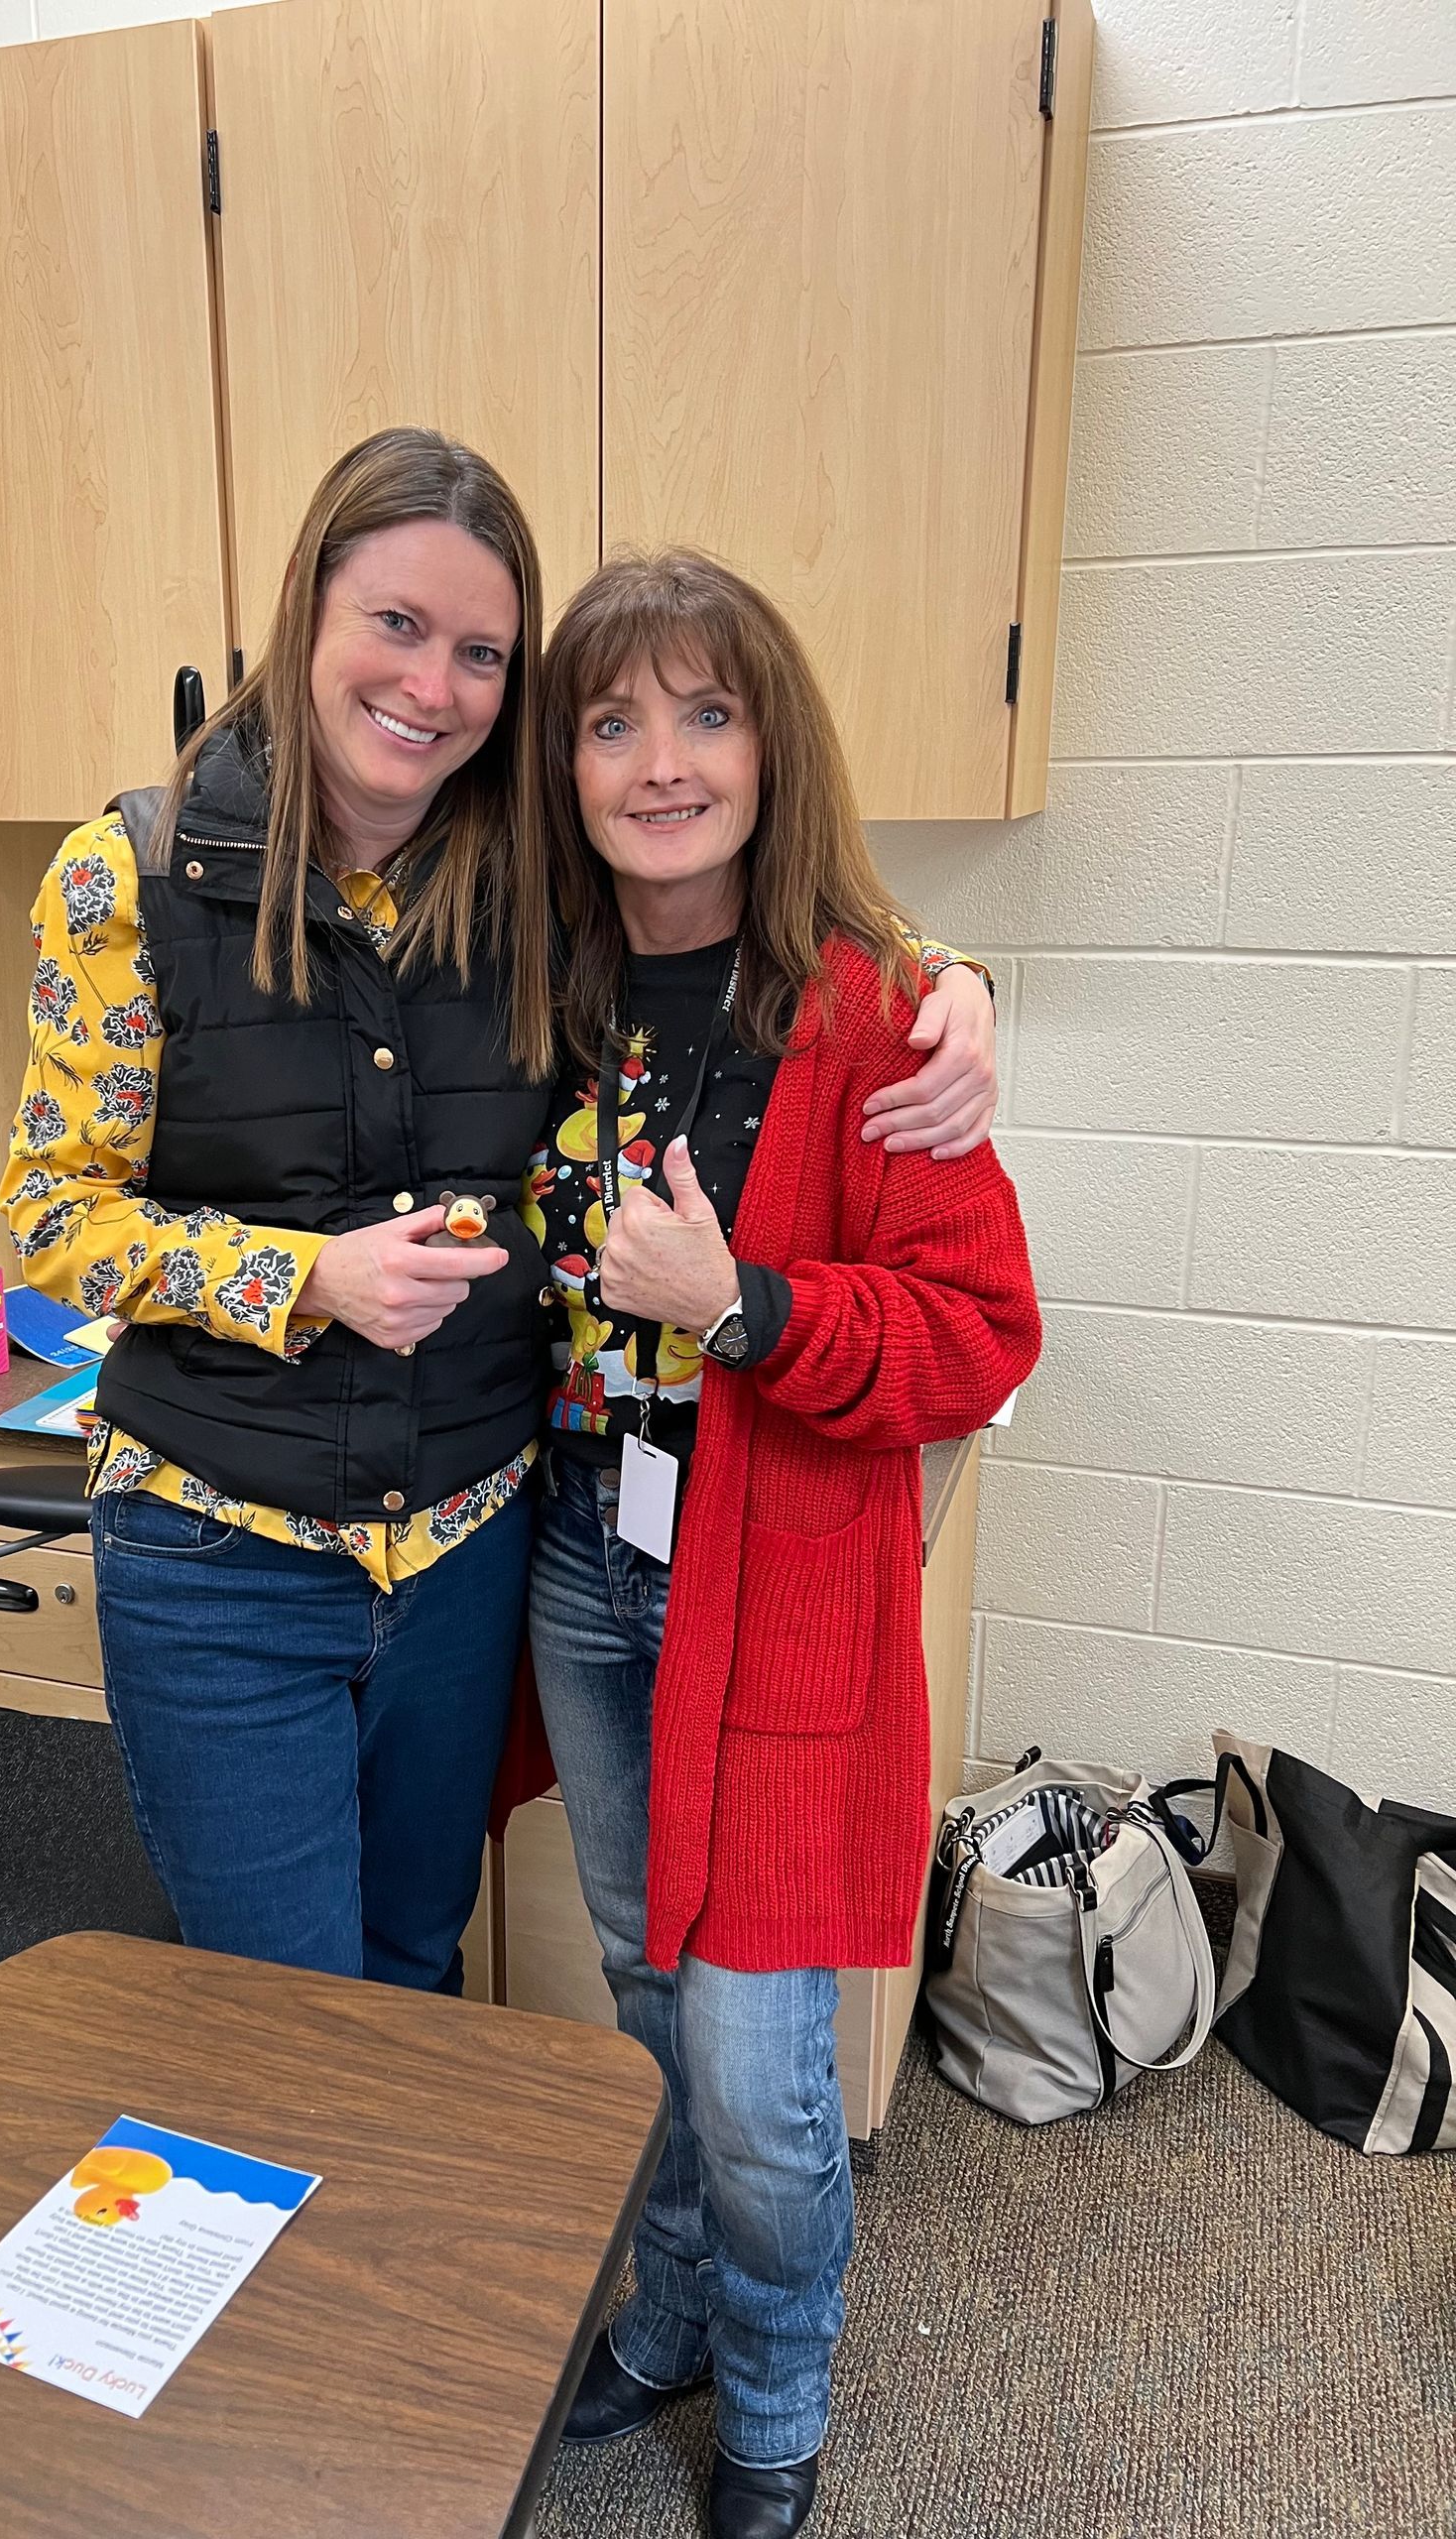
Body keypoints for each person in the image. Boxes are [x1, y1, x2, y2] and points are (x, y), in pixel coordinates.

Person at [0, 425, 1000, 1998]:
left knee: (412, 1976)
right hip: (222, 1550)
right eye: (396, 626)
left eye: (481, 652)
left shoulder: (525, 875)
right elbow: (52, 1211)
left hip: (469, 1550)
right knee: (284, 2015)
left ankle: (395, 2258)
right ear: (308, 610)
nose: (434, 685)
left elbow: (736, 875)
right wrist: (297, 1273)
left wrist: (947, 982)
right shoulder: (125, 877)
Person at [526, 550, 1041, 2539]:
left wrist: (746, 1302)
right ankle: (669, 2311)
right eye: (611, 718)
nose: (661, 760)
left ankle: (778, 2378)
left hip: (780, 1598)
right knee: (647, 1986)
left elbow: (982, 1330)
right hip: (587, 1566)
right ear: (561, 762)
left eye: (706, 712)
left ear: (770, 741)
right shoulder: (545, 988)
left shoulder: (878, 1010)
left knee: (757, 2060)